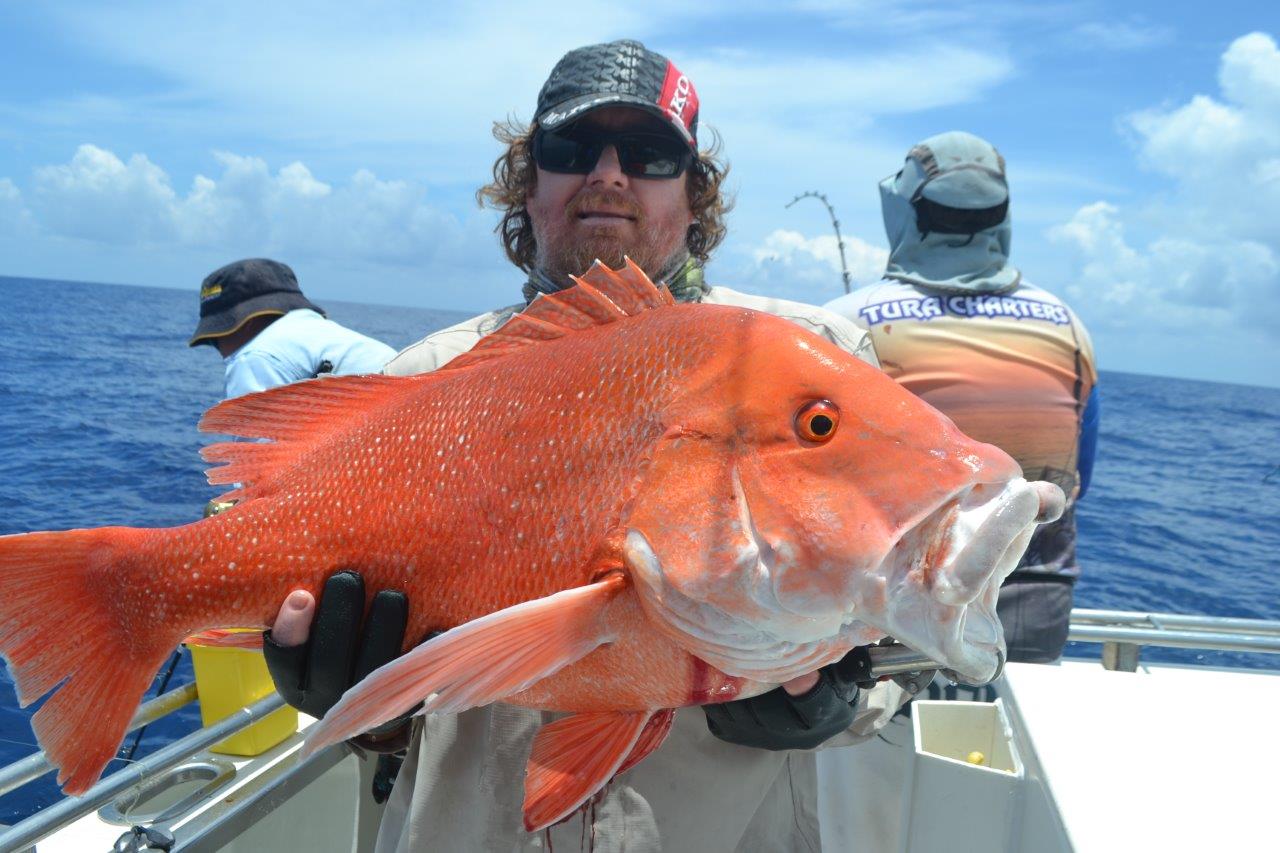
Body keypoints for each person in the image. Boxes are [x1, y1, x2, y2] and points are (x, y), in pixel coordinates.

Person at [264, 40, 908, 852]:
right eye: (570, 150)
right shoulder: (426, 379)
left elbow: (907, 612)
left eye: (649, 154)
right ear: (527, 186)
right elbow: (405, 711)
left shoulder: (822, 365)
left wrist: (841, 697)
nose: (608, 173)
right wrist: (357, 702)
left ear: (693, 192)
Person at [826, 131, 1100, 664]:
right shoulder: (1069, 327)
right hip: (1033, 609)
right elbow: (1078, 479)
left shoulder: (842, 322)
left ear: (904, 211)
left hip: (885, 619)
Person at [189, 257, 397, 400]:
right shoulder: (327, 338)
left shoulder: (257, 356)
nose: (221, 351)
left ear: (248, 321)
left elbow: (260, 461)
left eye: (216, 338)